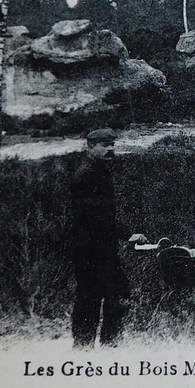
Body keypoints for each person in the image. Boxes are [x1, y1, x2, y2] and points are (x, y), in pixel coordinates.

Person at [71, 129, 125, 346]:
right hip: (90, 249)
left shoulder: (100, 171)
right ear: (90, 147)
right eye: (104, 145)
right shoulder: (86, 174)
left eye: (112, 144)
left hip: (102, 247)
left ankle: (108, 344)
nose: (110, 149)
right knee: (90, 298)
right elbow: (96, 217)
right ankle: (84, 346)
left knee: (114, 294)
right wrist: (127, 234)